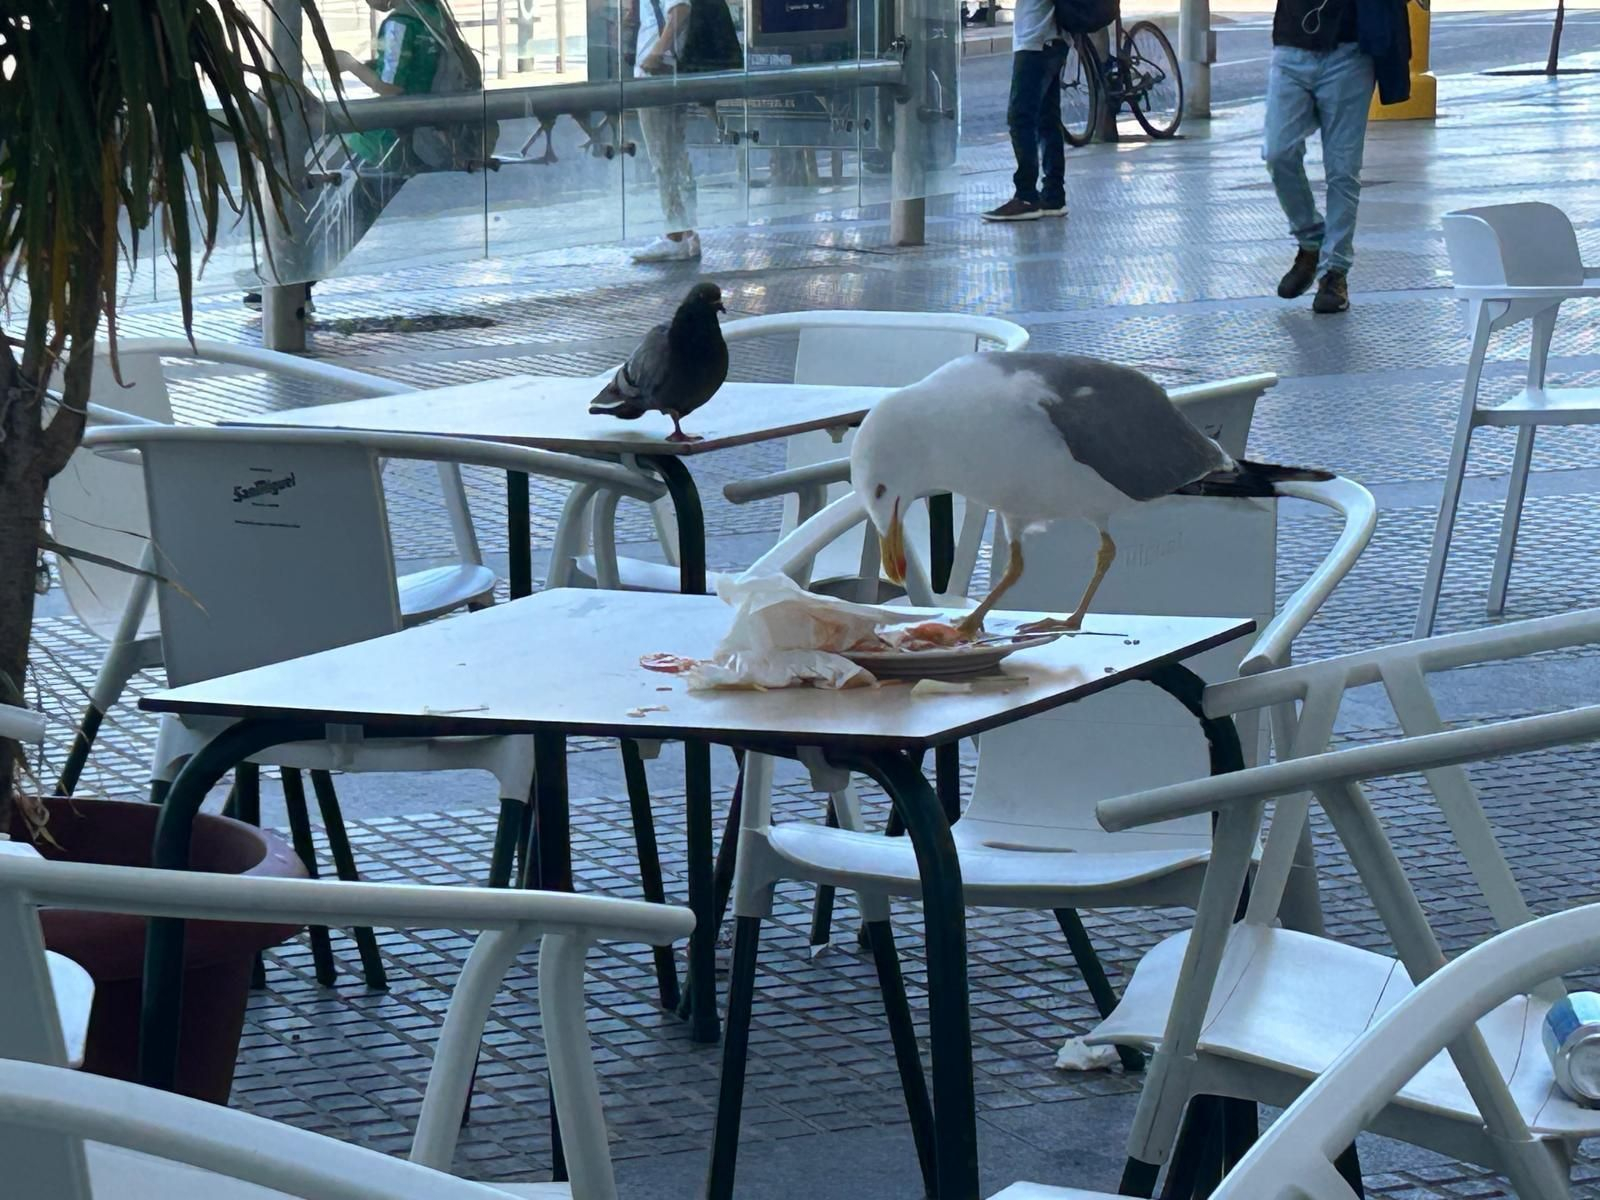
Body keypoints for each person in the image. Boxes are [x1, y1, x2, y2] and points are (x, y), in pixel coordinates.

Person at [244, 0, 472, 308]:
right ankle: (289, 279)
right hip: (419, 135)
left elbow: (390, 88)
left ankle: (292, 283)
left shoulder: (399, 24)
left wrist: (350, 64)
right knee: (342, 215)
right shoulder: (430, 13)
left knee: (337, 216)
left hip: (385, 140)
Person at [1264, 0, 1411, 313]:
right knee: (1278, 152)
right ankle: (1310, 241)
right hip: (1292, 46)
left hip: (1351, 51)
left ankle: (1335, 272)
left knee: (1342, 171)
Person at [982, 0, 1069, 222]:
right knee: (1047, 118)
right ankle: (1053, 195)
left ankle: (1026, 196)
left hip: (1036, 38)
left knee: (1021, 117)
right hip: (1052, 38)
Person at [630, 0, 702, 263]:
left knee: (663, 159)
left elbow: (680, 10)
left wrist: (656, 53)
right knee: (673, 157)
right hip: (663, 72)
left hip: (657, 74)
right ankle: (686, 232)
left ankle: (676, 237)